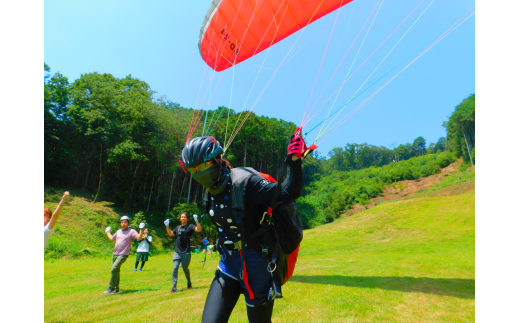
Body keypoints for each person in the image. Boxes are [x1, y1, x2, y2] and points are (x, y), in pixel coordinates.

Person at [179, 135, 304, 323]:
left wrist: (295, 161)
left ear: (216, 160)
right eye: (192, 170)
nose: (198, 173)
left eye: (202, 167)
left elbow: (287, 193)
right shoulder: (211, 192)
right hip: (228, 263)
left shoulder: (246, 183)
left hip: (256, 264)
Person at [103, 216, 145, 295]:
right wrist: (107, 232)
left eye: (125, 222)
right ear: (120, 223)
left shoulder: (131, 231)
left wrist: (141, 229)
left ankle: (111, 287)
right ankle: (116, 289)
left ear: (128, 223)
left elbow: (139, 238)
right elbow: (112, 239)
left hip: (123, 254)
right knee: (116, 270)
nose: (123, 223)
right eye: (122, 222)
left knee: (114, 268)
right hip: (115, 254)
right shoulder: (118, 231)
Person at [164, 212, 202, 294]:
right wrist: (167, 226)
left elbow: (199, 229)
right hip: (177, 252)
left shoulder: (190, 226)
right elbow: (170, 234)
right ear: (180, 218)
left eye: (185, 217)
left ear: (187, 219)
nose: (183, 218)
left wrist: (196, 221)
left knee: (185, 269)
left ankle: (189, 282)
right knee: (175, 269)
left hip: (186, 252)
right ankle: (174, 288)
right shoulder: (178, 227)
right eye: (182, 217)